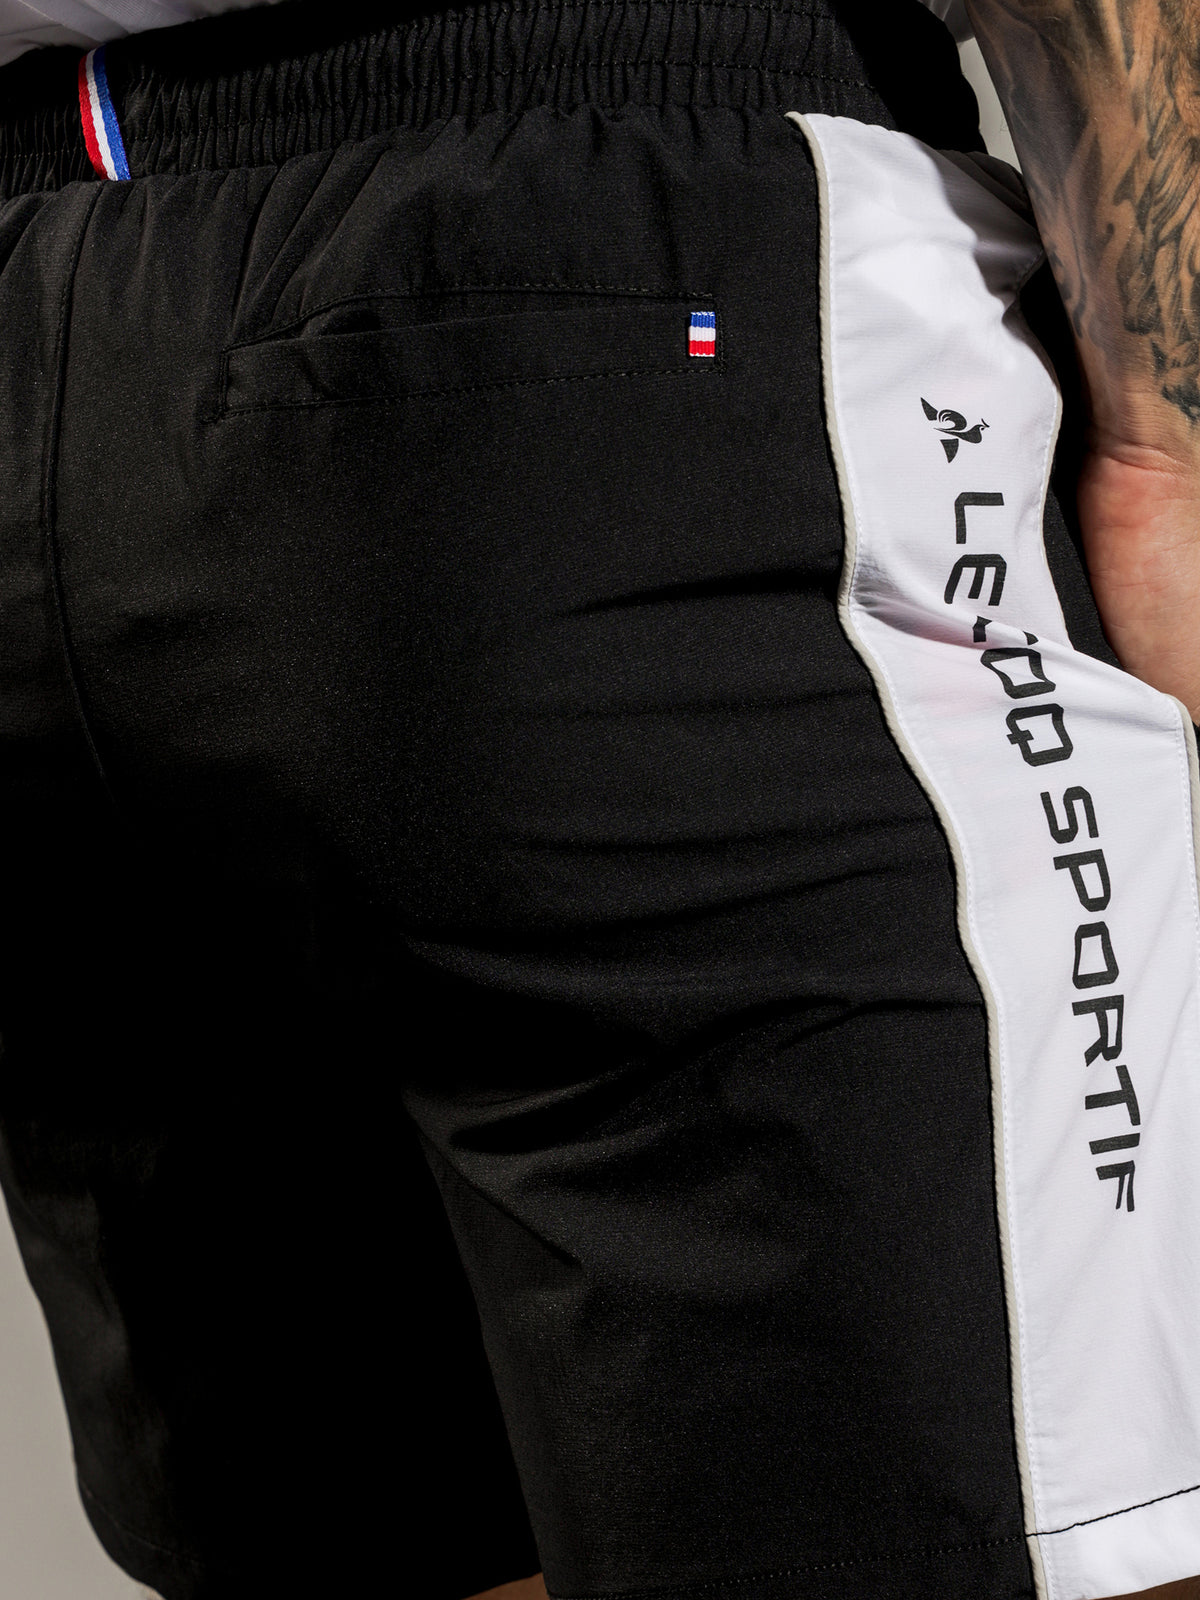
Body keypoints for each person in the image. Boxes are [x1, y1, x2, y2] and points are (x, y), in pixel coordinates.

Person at [0, 0, 1197, 1597]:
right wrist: (1170, 448)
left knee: (396, 1535)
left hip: (39, 302)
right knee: (1036, 1526)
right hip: (607, 248)